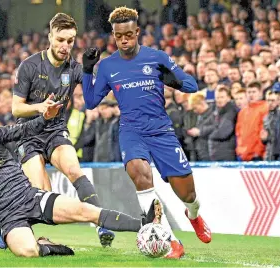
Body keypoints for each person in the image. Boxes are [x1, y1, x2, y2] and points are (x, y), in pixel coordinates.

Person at [0, 105, 148, 259]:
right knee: (28, 251)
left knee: (85, 210)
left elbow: (24, 129)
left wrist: (44, 119)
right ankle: (48, 247)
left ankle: (145, 224)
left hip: (30, 197)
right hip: (7, 216)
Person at [81, 6, 212, 259]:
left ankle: (193, 215)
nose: (124, 40)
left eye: (129, 34)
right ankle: (170, 241)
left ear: (138, 31)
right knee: (139, 174)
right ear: (114, 35)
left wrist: (173, 80)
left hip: (162, 131)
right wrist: (88, 71)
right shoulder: (108, 66)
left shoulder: (157, 56)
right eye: (119, 36)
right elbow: (90, 101)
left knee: (188, 194)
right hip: (132, 131)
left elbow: (192, 84)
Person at [6, 12, 115, 248]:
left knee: (74, 169)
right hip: (29, 133)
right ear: (50, 37)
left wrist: (89, 70)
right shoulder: (30, 66)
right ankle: (10, 225)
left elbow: (93, 97)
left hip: (55, 131)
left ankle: (100, 223)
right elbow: (16, 109)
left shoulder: (73, 69)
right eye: (61, 40)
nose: (65, 46)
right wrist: (40, 107)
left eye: (70, 41)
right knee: (41, 190)